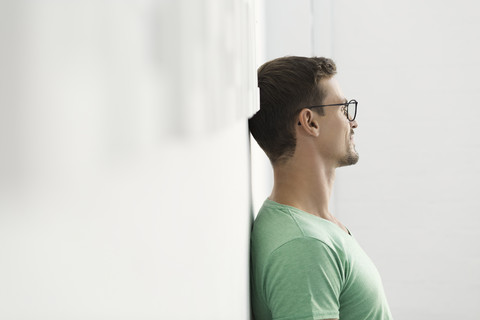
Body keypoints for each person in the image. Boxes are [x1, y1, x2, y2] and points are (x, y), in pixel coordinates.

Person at [249, 56, 393, 320]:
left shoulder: (312, 227)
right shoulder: (304, 246)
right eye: (343, 109)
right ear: (310, 122)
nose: (354, 122)